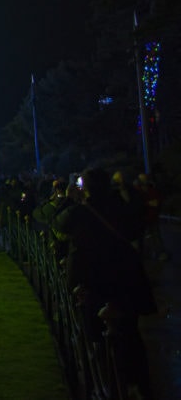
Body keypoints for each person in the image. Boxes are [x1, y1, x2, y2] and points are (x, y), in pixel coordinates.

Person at [53, 168, 156, 398]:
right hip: (126, 278)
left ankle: (106, 383)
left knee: (96, 333)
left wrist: (69, 200)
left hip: (93, 280)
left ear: (86, 187)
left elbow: (59, 223)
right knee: (130, 331)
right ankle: (139, 383)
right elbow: (138, 223)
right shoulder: (121, 206)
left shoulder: (81, 212)